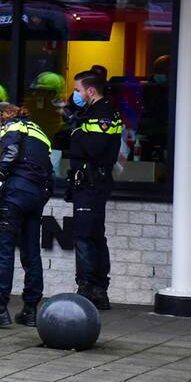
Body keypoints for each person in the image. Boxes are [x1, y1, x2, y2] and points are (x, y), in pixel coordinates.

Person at [0, 103, 53, 328]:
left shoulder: (12, 127)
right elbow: (48, 168)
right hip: (37, 194)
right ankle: (30, 310)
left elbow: (11, 152)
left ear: (0, 117)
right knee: (31, 252)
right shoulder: (39, 131)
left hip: (16, 193)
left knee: (4, 251)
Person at [68, 70, 122, 311]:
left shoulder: (104, 113)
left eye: (78, 90)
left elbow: (93, 147)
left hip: (92, 182)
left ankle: (88, 287)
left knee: (85, 236)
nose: (76, 95)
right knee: (94, 235)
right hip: (89, 181)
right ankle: (98, 289)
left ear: (90, 91)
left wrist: (76, 131)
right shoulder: (92, 111)